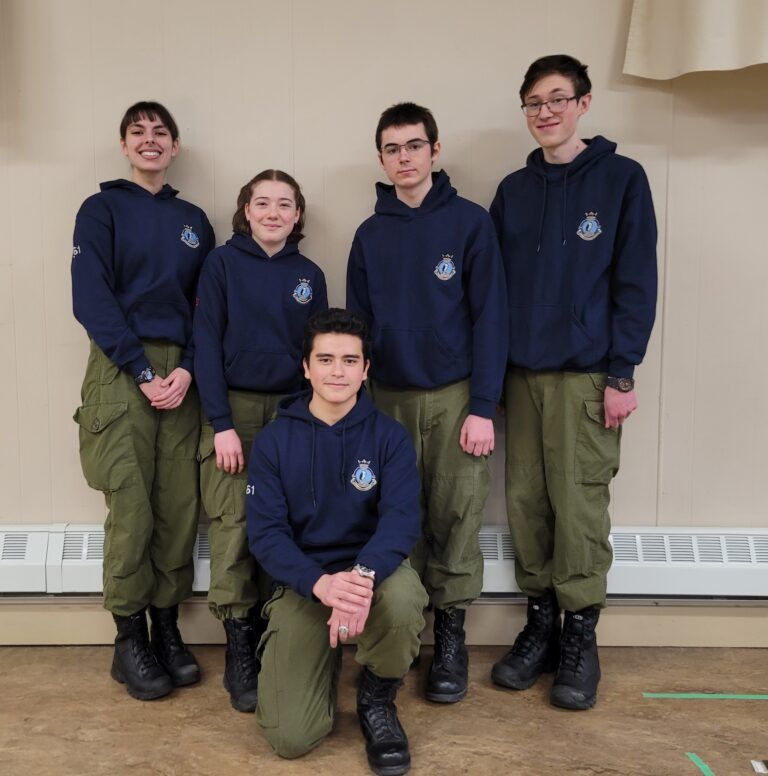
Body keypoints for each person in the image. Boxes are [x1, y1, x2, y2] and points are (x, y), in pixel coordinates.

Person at [489, 54, 657, 709]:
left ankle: (581, 635)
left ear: (584, 103)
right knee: (527, 503)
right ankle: (541, 628)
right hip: (522, 378)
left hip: (589, 378)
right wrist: (494, 378)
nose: (546, 113)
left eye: (558, 99)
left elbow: (635, 282)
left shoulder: (621, 180)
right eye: (533, 102)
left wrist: (623, 371)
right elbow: (496, 294)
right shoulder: (513, 191)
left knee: (580, 509)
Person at [346, 102, 507, 703]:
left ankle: (452, 638)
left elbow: (492, 318)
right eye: (392, 149)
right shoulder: (369, 234)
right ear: (382, 159)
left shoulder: (470, 224)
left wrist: (484, 405)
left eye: (414, 146)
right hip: (386, 399)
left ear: (435, 152)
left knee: (456, 513)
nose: (404, 158)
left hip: (455, 395)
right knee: (392, 518)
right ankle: (399, 636)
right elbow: (357, 331)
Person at [71, 101, 215, 700]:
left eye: (161, 133)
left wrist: (184, 368)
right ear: (125, 146)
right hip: (120, 367)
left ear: (175, 147)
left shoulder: (194, 219)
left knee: (178, 505)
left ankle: (166, 629)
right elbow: (90, 294)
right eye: (139, 133)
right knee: (132, 505)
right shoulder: (101, 209)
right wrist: (138, 366)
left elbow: (210, 303)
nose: (151, 141)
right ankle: (128, 637)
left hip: (181, 374)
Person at [246, 308, 427, 776]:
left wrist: (361, 578)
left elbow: (401, 520)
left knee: (406, 597)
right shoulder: (273, 441)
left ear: (366, 369)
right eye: (325, 359)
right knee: (290, 739)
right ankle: (318, 663)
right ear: (305, 367)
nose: (337, 371)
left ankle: (377, 696)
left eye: (350, 361)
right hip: (307, 583)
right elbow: (266, 534)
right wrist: (322, 586)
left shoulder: (390, 437)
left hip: (374, 578)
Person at [193, 169, 327, 712]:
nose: (273, 212)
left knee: (285, 522)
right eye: (262, 202)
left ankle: (279, 631)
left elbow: (318, 353)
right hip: (235, 412)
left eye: (285, 204)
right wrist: (221, 423)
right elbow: (205, 345)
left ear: (298, 215)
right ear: (246, 210)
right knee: (235, 523)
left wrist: (309, 420)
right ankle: (240, 642)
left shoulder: (310, 274)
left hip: (292, 412)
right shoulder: (221, 265)